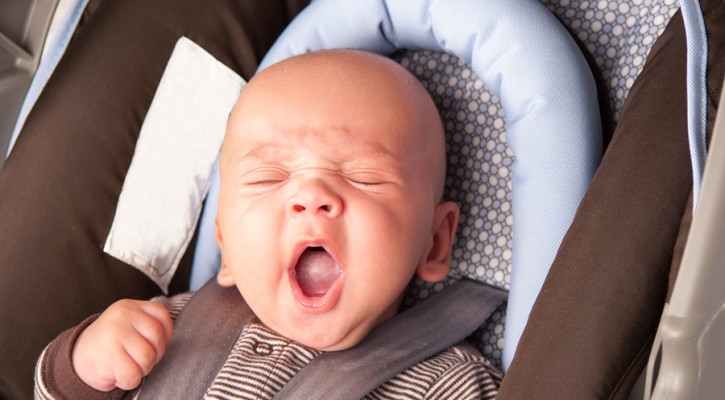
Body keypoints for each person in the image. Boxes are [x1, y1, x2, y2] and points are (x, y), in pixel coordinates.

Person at [34, 49, 503, 399]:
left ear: (436, 242)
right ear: (226, 246)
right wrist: (83, 364)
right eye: (269, 177)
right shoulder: (166, 328)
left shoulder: (449, 384)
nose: (311, 197)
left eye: (363, 176)